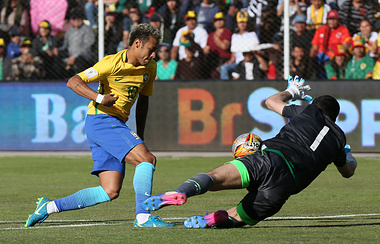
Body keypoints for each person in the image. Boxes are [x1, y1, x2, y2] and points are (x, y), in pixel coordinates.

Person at [142, 76, 357, 229]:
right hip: (284, 187)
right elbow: (348, 172)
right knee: (238, 217)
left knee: (214, 178)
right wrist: (348, 155)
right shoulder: (339, 139)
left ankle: (181, 192)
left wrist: (291, 91)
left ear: (316, 107)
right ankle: (211, 220)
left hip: (270, 158)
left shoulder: (308, 111)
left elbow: (271, 102)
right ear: (335, 117)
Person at [24, 23, 174, 228]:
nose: (154, 53)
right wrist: (100, 97)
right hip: (101, 120)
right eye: (151, 49)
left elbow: (144, 100)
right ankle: (143, 216)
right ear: (137, 43)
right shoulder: (110, 63)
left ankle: (47, 207)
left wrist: (140, 133)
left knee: (109, 191)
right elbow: (73, 81)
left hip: (112, 124)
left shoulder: (150, 67)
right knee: (146, 160)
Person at [309, 10, 351, 79]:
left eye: (334, 19)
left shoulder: (343, 29)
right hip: (321, 56)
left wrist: (334, 51)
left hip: (335, 56)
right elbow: (314, 46)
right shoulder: (320, 30)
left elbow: (345, 46)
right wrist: (311, 56)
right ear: (327, 20)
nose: (332, 21)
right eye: (330, 19)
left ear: (338, 20)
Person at [220, 10, 260, 80]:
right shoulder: (234, 36)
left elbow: (257, 48)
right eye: (240, 22)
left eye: (244, 22)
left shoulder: (252, 35)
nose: (242, 24)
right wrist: (231, 60)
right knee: (224, 68)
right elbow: (234, 53)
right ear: (237, 23)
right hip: (237, 63)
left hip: (249, 61)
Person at [59, 11, 96, 78]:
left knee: (79, 60)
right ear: (71, 20)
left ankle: (80, 79)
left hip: (84, 56)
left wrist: (74, 56)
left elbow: (88, 46)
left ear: (81, 19)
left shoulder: (87, 30)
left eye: (78, 19)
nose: (76, 21)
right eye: (74, 19)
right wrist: (57, 51)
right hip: (70, 55)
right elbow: (65, 45)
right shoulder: (69, 31)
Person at [204, 12, 232, 79]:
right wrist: (206, 50)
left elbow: (224, 46)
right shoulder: (210, 35)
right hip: (212, 60)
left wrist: (216, 38)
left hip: (223, 60)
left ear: (224, 21)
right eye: (216, 20)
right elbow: (206, 49)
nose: (218, 22)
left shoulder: (227, 32)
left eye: (220, 20)